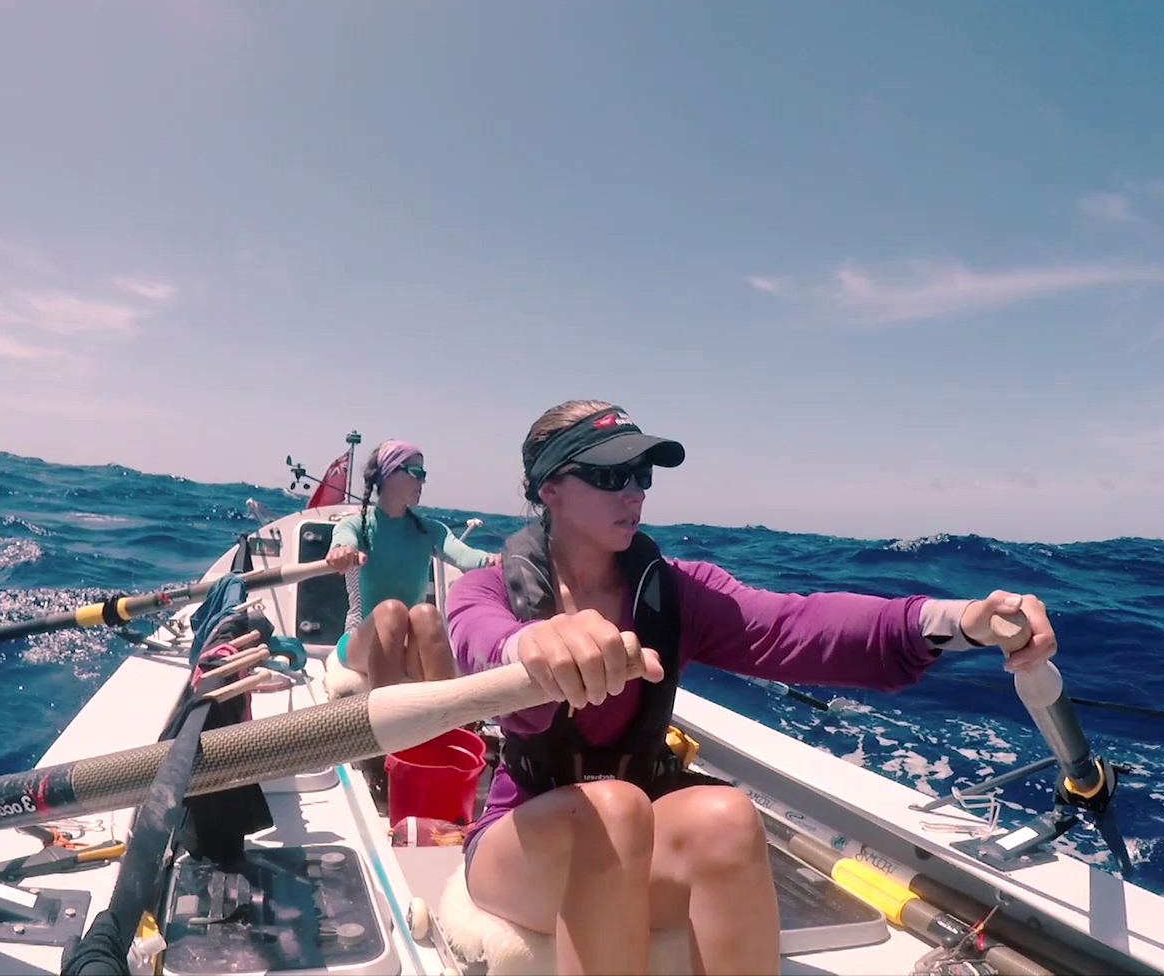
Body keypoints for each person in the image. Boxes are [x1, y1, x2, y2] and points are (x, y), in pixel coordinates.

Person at [445, 400, 1059, 975]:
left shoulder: (674, 593)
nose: (633, 492)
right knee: (614, 810)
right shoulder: (487, 593)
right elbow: (482, 646)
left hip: (632, 832)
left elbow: (795, 627)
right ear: (548, 489)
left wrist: (961, 622)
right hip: (519, 844)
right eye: (609, 476)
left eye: (641, 475)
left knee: (729, 817)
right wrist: (535, 649)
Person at [326, 439, 498, 689]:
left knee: (426, 613)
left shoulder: (429, 530)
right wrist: (343, 552)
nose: (422, 481)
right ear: (389, 474)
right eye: (416, 473)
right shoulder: (355, 525)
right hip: (357, 641)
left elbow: (466, 557)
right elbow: (343, 541)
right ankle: (389, 710)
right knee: (392, 611)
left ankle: (447, 710)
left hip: (408, 641)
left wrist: (495, 561)